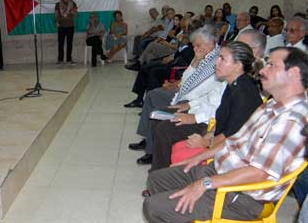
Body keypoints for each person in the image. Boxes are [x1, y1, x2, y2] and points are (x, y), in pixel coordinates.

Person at [143, 47, 308, 223]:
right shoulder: (272, 104)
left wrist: (205, 183)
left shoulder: (293, 121)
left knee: (153, 207)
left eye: (271, 65)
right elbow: (234, 139)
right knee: (156, 180)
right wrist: (199, 157)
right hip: (221, 170)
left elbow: (259, 173)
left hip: (241, 195)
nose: (262, 70)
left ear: (293, 73)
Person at [157, 41, 262, 170]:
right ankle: (164, 175)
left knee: (179, 149)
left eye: (222, 59)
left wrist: (206, 142)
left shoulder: (244, 93)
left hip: (233, 150)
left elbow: (233, 134)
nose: (216, 63)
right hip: (217, 136)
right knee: (176, 142)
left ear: (237, 65)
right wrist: (208, 135)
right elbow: (222, 120)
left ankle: (165, 177)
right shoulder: (233, 84)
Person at [128, 26, 225, 165]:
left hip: (191, 100)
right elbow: (187, 79)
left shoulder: (215, 61)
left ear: (209, 44)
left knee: (155, 99)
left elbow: (199, 91)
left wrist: (181, 96)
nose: (195, 49)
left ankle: (151, 149)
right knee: (152, 95)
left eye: (198, 45)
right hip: (185, 95)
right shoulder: (202, 55)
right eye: (194, 45)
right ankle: (149, 139)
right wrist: (195, 62)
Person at [55, 0, 78, 64]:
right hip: (61, 26)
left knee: (69, 43)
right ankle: (60, 59)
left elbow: (76, 15)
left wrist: (71, 11)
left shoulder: (72, 3)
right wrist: (56, 21)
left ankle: (69, 59)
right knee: (60, 43)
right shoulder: (58, 4)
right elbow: (56, 14)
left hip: (70, 26)